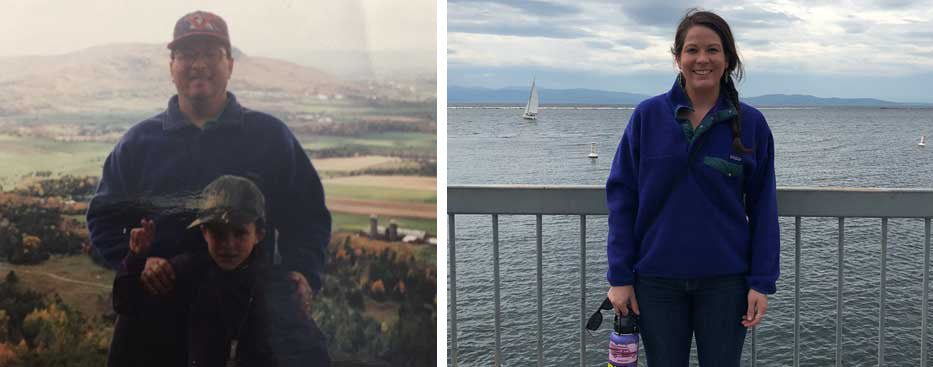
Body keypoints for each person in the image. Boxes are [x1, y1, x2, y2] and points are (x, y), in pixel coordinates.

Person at [86, 10, 331, 366]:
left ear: (229, 64)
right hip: (155, 318)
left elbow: (308, 215)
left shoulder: (270, 137)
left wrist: (303, 270)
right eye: (187, 54)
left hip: (246, 320)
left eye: (210, 54)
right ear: (171, 67)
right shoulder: (139, 143)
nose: (198, 65)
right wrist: (138, 261)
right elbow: (102, 218)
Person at [605, 9, 779, 367]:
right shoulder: (647, 117)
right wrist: (620, 277)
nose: (702, 59)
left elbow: (764, 208)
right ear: (677, 58)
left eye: (713, 50)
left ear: (728, 59)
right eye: (692, 50)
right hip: (656, 282)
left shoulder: (752, 124)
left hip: (726, 283)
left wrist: (761, 281)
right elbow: (622, 199)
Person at [112, 175, 330, 366]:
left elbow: (312, 353)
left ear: (259, 234)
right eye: (218, 234)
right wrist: (136, 259)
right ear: (204, 233)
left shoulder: (278, 288)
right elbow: (126, 304)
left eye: (240, 233)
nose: (228, 245)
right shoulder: (184, 272)